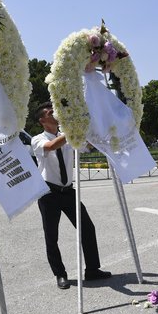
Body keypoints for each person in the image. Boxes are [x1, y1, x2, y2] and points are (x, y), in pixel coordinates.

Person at [31, 102, 111, 289]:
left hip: (68, 191)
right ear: (42, 120)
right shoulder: (37, 139)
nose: (55, 113)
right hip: (48, 193)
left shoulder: (66, 135)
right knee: (52, 236)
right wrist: (72, 131)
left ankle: (92, 270)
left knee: (87, 228)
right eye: (50, 112)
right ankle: (60, 274)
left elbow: (86, 147)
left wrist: (93, 133)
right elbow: (51, 146)